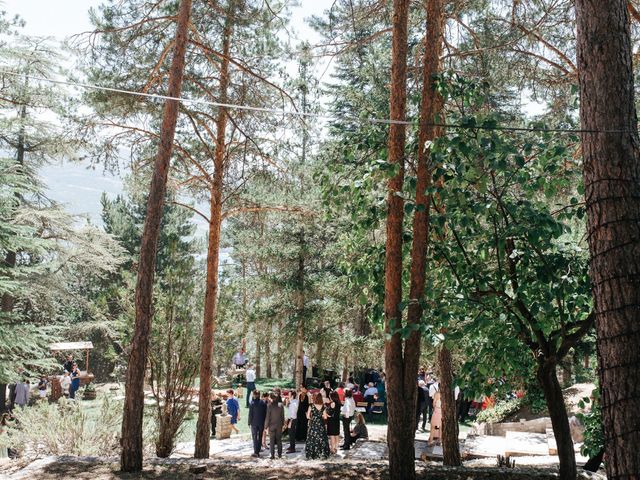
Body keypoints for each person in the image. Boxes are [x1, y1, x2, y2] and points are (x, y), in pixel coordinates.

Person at [305, 392, 330, 459]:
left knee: (312, 438)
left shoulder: (311, 406)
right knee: (321, 437)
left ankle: (312, 453)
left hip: (313, 424)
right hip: (321, 424)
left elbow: (307, 417)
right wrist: (320, 416)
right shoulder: (323, 406)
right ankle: (322, 453)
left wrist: (313, 417)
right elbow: (325, 417)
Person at [265, 392, 285, 459]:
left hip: (271, 425)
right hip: (279, 425)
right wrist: (282, 424)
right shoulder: (281, 405)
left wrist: (266, 426)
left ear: (271, 398)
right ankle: (280, 455)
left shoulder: (269, 405)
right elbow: (282, 416)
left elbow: (267, 417)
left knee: (272, 440)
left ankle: (272, 455)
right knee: (279, 440)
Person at [248, 390, 267, 457]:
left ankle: (256, 451)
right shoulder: (263, 403)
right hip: (261, 422)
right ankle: (258, 450)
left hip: (254, 423)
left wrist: (249, 422)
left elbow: (250, 414)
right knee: (260, 436)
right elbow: (265, 414)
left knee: (255, 437)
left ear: (254, 395)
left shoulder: (252, 403)